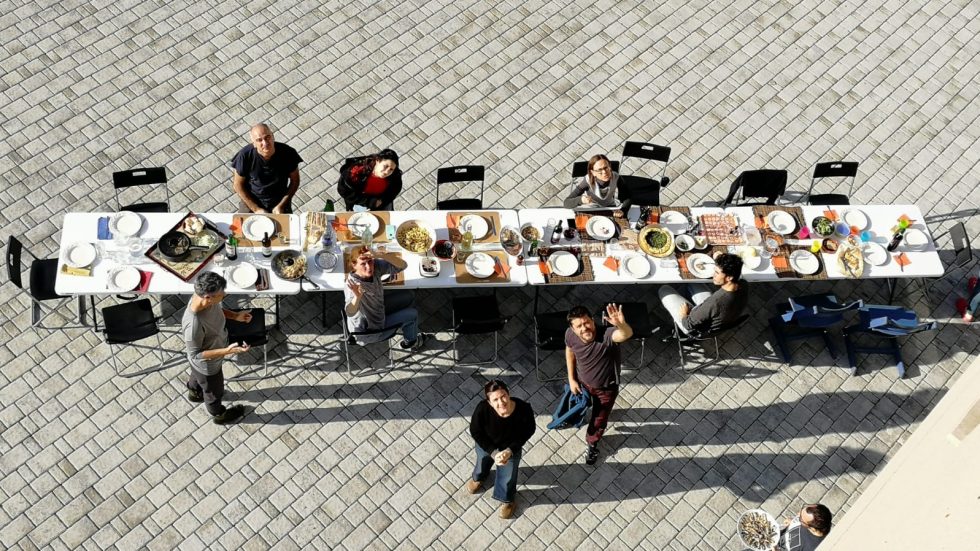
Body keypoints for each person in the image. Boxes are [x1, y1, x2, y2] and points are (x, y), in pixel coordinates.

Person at [565, 303, 633, 465]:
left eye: (587, 322)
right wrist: (571, 379)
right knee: (576, 406)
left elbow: (625, 334)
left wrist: (621, 325)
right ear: (573, 329)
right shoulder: (570, 335)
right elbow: (569, 351)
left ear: (592, 320)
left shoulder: (607, 336)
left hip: (606, 389)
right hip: (582, 383)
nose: (584, 328)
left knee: (599, 420)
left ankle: (592, 443)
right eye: (579, 326)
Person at [182, 272, 251, 425]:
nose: (224, 294)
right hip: (208, 365)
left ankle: (194, 392)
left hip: (203, 362)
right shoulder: (193, 325)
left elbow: (216, 310)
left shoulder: (202, 298)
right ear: (208, 297)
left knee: (197, 375)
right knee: (214, 392)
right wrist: (227, 351)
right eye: (221, 294)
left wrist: (235, 316)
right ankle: (219, 414)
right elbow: (195, 356)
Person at [466, 379, 536, 519]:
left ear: (508, 394)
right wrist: (493, 452)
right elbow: (475, 431)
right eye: (495, 400)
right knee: (482, 462)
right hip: (487, 445)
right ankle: (480, 477)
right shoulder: (482, 409)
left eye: (503, 396)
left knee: (508, 476)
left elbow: (528, 430)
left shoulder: (523, 409)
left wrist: (510, 451)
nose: (501, 402)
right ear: (489, 402)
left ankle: (508, 500)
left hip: (510, 450)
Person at [344, 248, 427, 350]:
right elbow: (350, 312)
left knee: (409, 295)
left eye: (370, 261)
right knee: (413, 314)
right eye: (363, 264)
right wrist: (357, 297)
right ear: (354, 265)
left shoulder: (375, 267)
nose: (369, 267)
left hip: (379, 309)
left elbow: (403, 265)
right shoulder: (353, 286)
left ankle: (405, 324)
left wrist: (382, 255)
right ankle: (411, 342)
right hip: (371, 331)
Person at [658, 252, 749, 336]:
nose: (713, 275)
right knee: (692, 280)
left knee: (664, 289)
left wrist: (684, 314)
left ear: (729, 278)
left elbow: (688, 324)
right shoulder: (743, 284)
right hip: (717, 315)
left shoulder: (715, 302)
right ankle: (684, 298)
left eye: (717, 273)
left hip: (694, 326)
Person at [231, 123, 303, 214]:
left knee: (286, 223)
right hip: (252, 199)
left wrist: (281, 205)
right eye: (259, 140)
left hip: (279, 200)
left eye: (267, 137)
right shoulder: (244, 156)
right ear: (253, 143)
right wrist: (256, 209)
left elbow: (295, 181)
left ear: (273, 136)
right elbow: (237, 185)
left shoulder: (288, 153)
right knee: (242, 222)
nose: (265, 143)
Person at [337, 149, 402, 211]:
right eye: (385, 166)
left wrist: (382, 201)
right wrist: (370, 202)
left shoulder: (394, 176)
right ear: (377, 161)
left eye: (391, 169)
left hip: (381, 204)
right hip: (360, 205)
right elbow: (344, 191)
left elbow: (393, 192)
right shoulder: (355, 172)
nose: (387, 172)